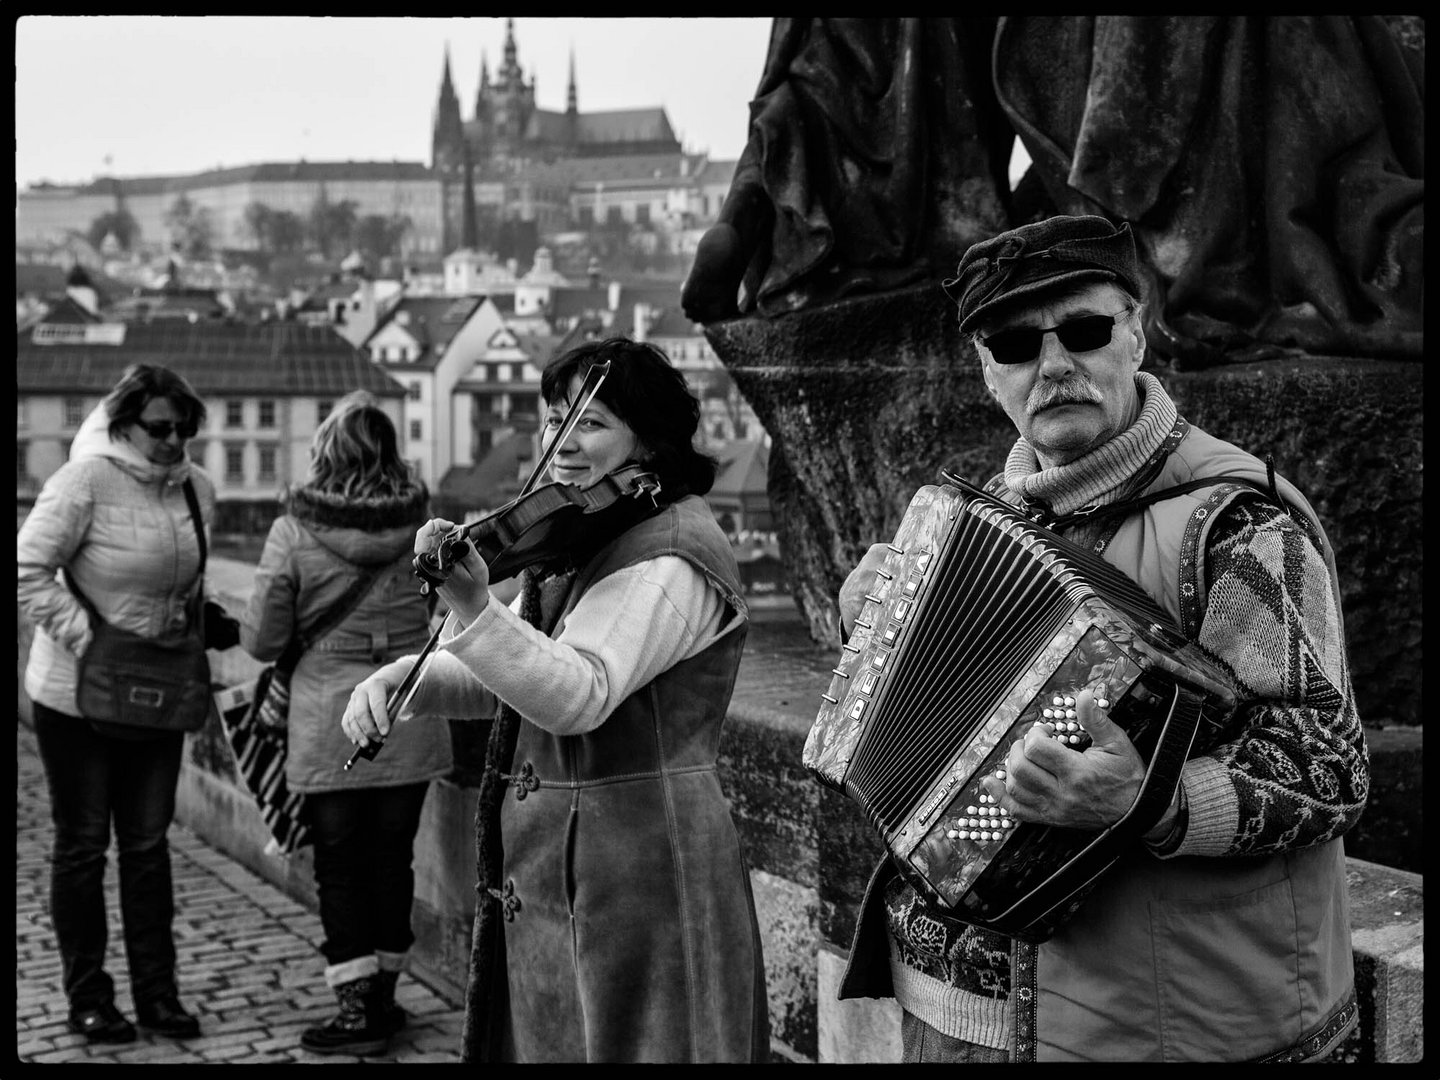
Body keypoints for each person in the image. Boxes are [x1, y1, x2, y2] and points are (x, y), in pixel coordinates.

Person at [833, 215, 1369, 1062]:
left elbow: (1331, 769)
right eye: (1014, 346)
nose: (1053, 366)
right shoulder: (972, 525)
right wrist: (869, 634)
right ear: (987, 374)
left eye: (1083, 331)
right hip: (947, 1018)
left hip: (1158, 1028)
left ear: (1137, 336)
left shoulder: (1242, 528)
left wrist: (1148, 802)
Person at [341, 337, 770, 1063]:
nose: (561, 443)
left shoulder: (671, 554)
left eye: (591, 423)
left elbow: (578, 690)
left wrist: (478, 610)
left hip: (645, 880)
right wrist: (404, 681)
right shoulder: (586, 537)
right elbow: (509, 673)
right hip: (571, 882)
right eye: (552, 420)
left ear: (651, 441)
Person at [239, 391, 453, 1057]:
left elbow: (263, 641)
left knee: (339, 866)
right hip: (407, 708)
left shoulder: (293, 531)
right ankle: (385, 997)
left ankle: (356, 1008)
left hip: (328, 718)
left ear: (324, 453)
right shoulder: (424, 527)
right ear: (391, 453)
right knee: (392, 859)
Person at [18, 364, 216, 1043]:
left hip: (156, 692)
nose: (172, 440)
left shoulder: (198, 489)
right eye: (158, 427)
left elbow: (183, 581)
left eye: (183, 428)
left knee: (148, 847)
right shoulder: (84, 480)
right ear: (122, 423)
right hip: (75, 695)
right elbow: (26, 570)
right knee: (82, 848)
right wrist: (90, 639)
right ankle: (89, 997)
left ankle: (159, 996)